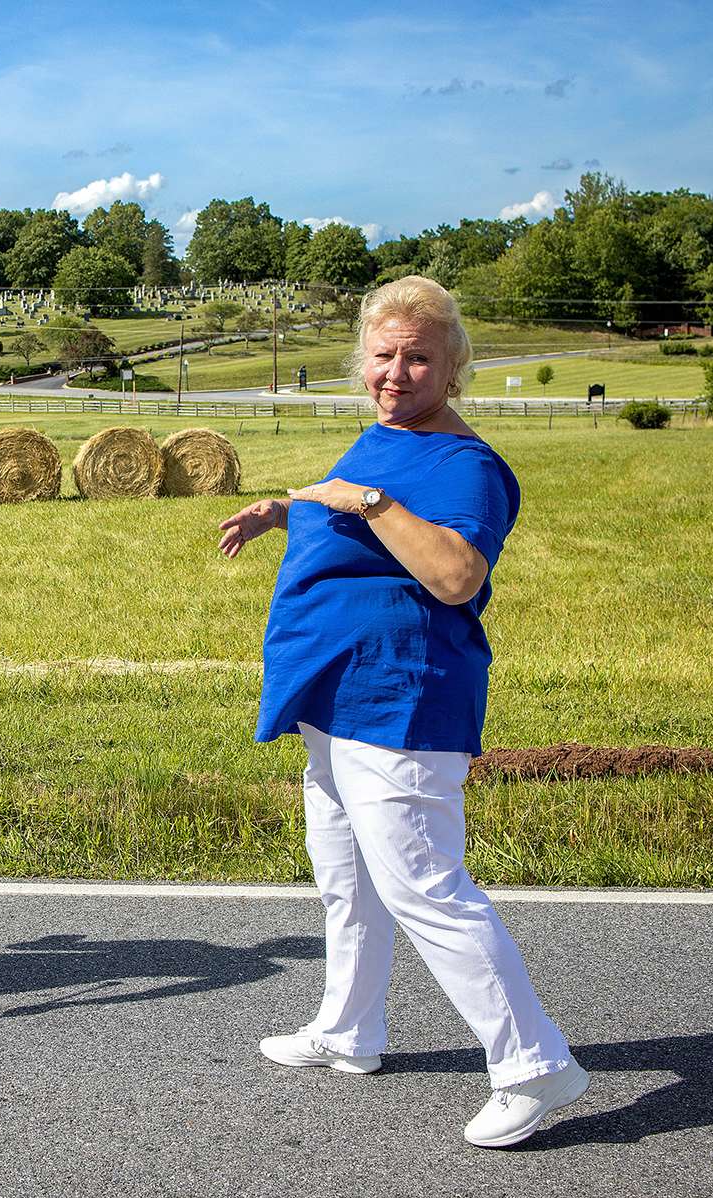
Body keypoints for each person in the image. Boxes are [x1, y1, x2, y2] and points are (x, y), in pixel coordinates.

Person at [217, 275, 585, 1147]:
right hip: (332, 692)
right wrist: (286, 508)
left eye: (417, 358)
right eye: (382, 356)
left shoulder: (467, 466)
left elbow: (455, 574)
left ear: (452, 367)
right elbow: (344, 498)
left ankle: (534, 1064)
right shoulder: (381, 434)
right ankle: (350, 1033)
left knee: (424, 886)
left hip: (400, 695)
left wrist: (368, 504)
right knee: (345, 878)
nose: (395, 373)